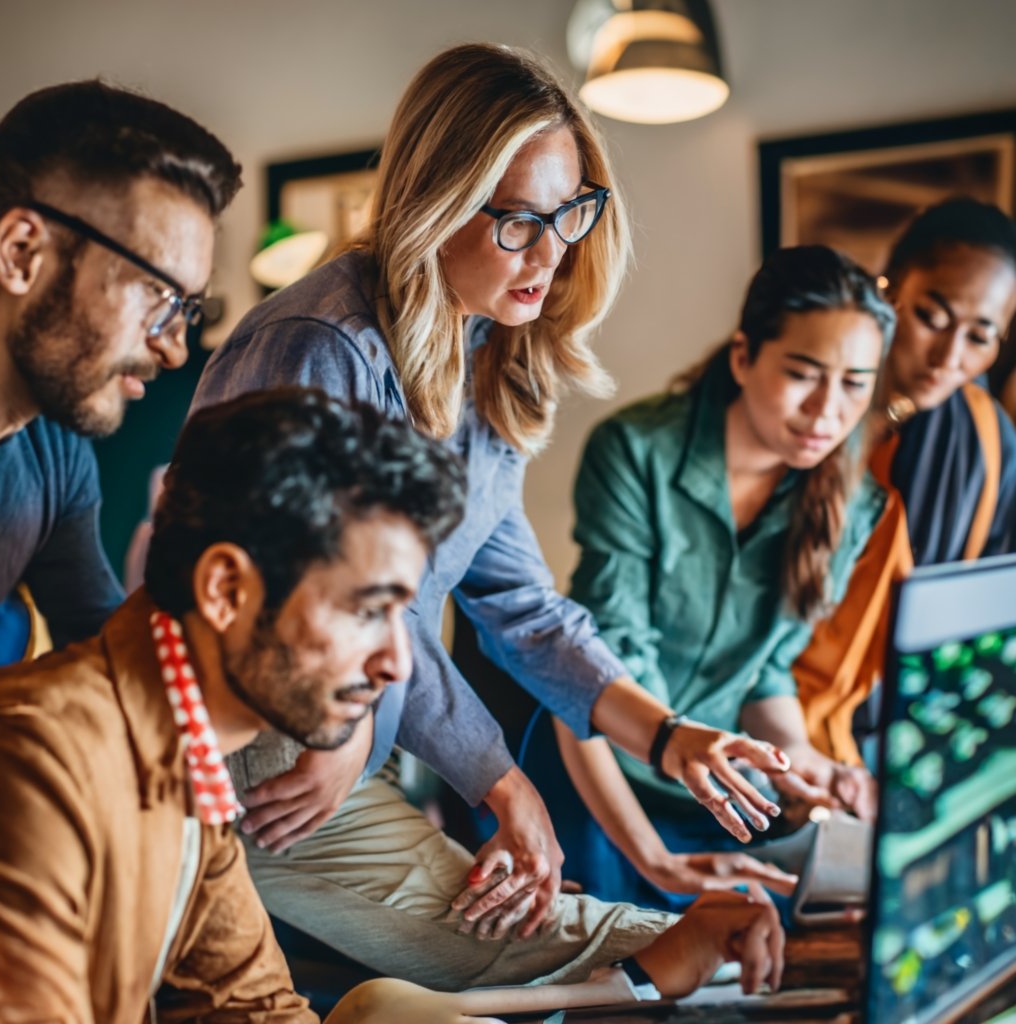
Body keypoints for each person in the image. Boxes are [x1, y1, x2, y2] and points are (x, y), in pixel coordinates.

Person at [190, 42, 793, 988]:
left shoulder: (485, 354)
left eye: (570, 214)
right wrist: (497, 777)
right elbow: (331, 602)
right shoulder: (324, 347)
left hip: (353, 750)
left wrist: (670, 737)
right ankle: (704, 959)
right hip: (259, 764)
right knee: (528, 942)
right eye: (518, 221)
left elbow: (521, 608)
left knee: (540, 930)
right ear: (434, 202)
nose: (552, 254)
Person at [0, 389, 466, 1022]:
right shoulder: (36, 765)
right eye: (366, 611)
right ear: (225, 590)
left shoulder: (186, 757)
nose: (396, 664)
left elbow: (255, 1006)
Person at [522, 246, 893, 914]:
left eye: (855, 384)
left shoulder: (856, 505)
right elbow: (591, 675)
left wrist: (797, 762)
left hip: (719, 793)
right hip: (597, 775)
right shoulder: (635, 452)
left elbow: (766, 671)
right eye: (803, 375)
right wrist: (653, 854)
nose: (827, 412)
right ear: (744, 356)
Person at [0, 79, 241, 663]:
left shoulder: (53, 451)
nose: (175, 350)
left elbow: (105, 654)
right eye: (159, 293)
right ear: (21, 253)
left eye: (187, 309)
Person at [796, 198, 1016, 764]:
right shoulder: (806, 403)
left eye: (980, 337)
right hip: (762, 712)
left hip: (895, 732)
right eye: (932, 318)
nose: (948, 356)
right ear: (889, 288)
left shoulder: (989, 439)